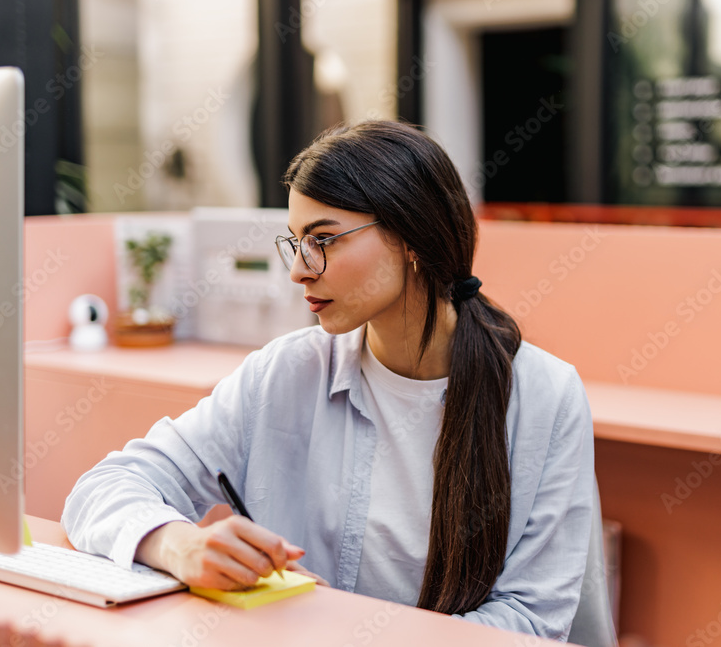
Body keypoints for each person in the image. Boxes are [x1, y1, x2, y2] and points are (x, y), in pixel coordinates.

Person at [62, 120, 599, 641]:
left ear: (413, 237)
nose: (298, 269)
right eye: (295, 241)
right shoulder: (284, 374)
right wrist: (179, 545)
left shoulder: (544, 396)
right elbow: (102, 489)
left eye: (324, 239)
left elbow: (531, 622)